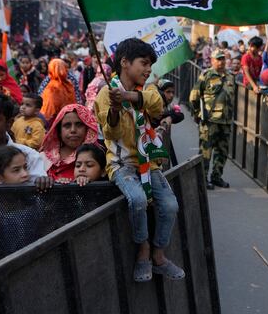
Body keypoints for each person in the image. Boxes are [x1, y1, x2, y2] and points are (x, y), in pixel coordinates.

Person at [94, 38, 184, 283]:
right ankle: (143, 250)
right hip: (121, 164)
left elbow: (156, 107)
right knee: (137, 199)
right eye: (143, 63)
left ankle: (159, 254)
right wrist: (114, 108)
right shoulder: (105, 93)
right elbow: (109, 135)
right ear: (124, 62)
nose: (148, 70)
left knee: (170, 205)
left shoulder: (149, 89)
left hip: (148, 163)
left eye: (150, 66)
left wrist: (129, 97)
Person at [189, 49, 234, 189]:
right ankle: (202, 179)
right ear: (212, 60)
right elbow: (194, 96)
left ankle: (216, 177)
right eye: (218, 59)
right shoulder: (206, 75)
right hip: (210, 121)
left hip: (225, 121)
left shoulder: (230, 76)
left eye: (223, 59)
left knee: (222, 151)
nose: (221, 61)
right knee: (205, 152)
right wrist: (197, 114)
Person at [39, 104, 98, 181]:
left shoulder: (96, 157)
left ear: (88, 128)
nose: (73, 130)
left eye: (79, 125)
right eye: (67, 125)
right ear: (59, 131)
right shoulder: (43, 158)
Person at [40, 58, 78, 123]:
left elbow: (48, 111)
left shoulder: (51, 86)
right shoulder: (66, 84)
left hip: (58, 121)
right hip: (67, 120)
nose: (66, 70)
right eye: (64, 68)